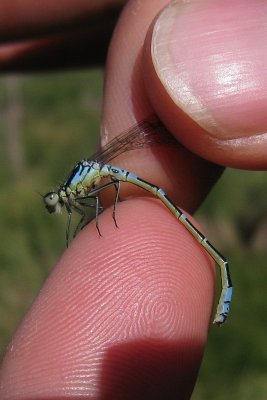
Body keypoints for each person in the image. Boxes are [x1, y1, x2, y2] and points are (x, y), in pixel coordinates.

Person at [1, 0, 266, 398]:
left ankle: (220, 277)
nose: (60, 205)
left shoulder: (86, 185)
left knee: (130, 218)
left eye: (59, 201)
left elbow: (104, 198)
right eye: (58, 202)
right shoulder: (85, 186)